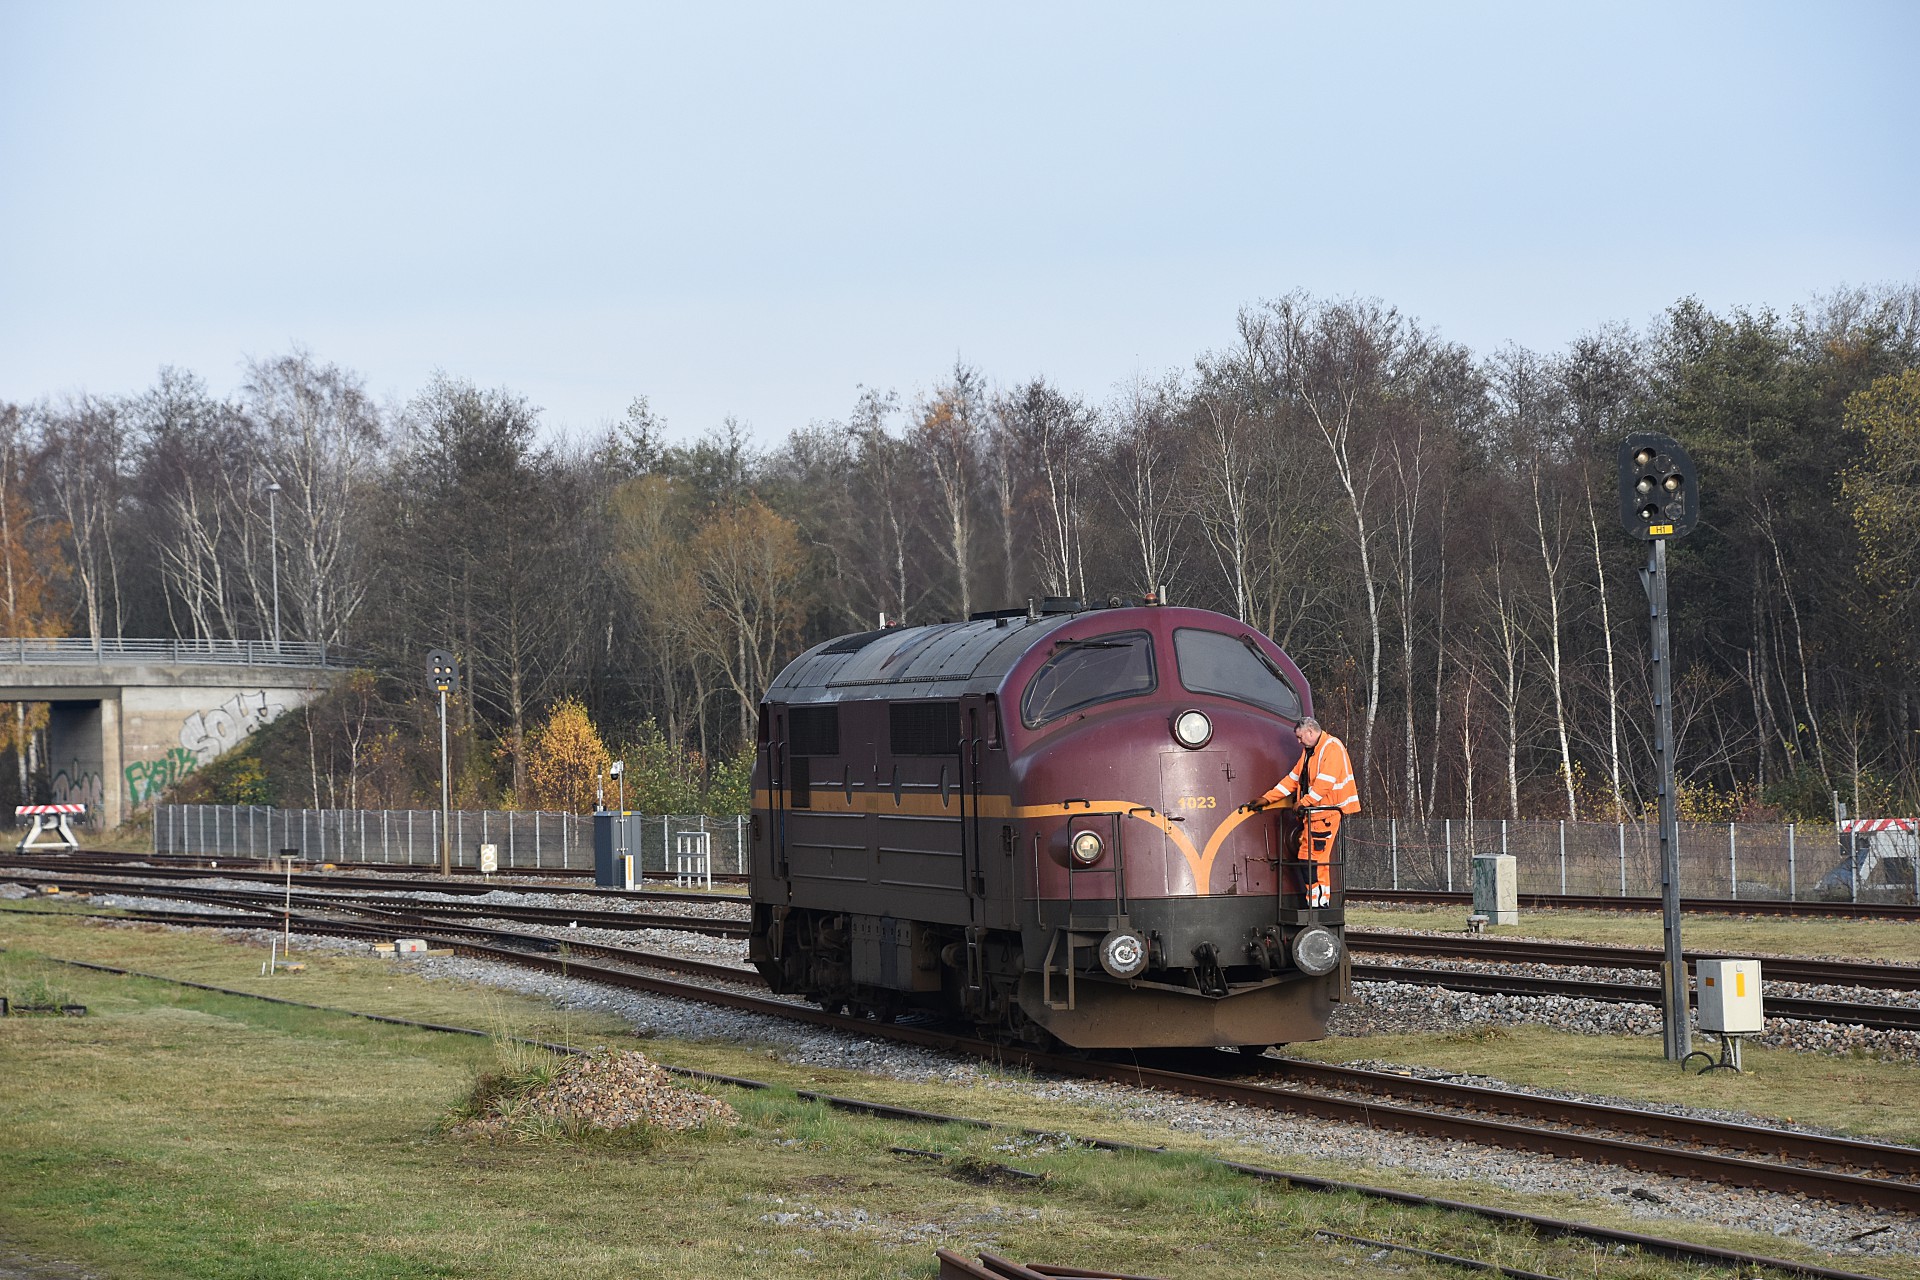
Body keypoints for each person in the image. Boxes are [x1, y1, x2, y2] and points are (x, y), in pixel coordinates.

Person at [1256, 717, 1361, 907]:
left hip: (1325, 814)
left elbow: (1324, 784)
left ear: (1310, 732)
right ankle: (1318, 902)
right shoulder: (1310, 752)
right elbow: (1292, 780)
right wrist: (1267, 798)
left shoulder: (1332, 748)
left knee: (1312, 860)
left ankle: (1318, 903)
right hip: (1314, 814)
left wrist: (1303, 803)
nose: (1299, 742)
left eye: (1300, 737)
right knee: (1312, 860)